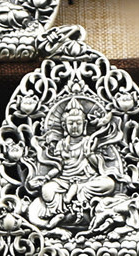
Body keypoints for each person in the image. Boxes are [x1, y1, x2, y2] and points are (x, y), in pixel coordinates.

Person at [28, 98, 122, 230]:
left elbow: (98, 167)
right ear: (64, 126)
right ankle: (62, 207)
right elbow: (58, 167)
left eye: (78, 123)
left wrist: (89, 154)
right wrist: (46, 178)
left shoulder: (88, 141)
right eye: (71, 123)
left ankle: (74, 194)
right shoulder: (61, 144)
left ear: (84, 124)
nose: (74, 127)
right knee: (47, 190)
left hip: (86, 180)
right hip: (65, 181)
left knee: (109, 184)